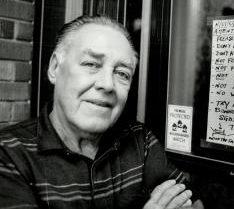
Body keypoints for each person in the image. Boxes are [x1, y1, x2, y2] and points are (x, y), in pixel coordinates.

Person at [0, 15, 204, 209]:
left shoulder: (139, 141)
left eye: (122, 74)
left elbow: (193, 204)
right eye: (91, 64)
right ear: (55, 68)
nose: (107, 85)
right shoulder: (8, 154)